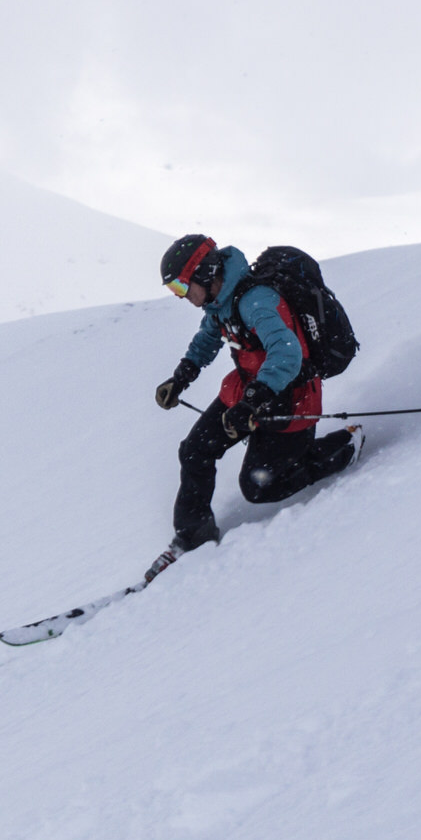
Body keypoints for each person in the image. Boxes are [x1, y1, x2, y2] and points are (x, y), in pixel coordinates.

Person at [144, 234, 361, 580]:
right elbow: (206, 340)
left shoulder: (256, 300)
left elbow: (287, 354)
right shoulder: (218, 303)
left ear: (203, 274)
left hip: (289, 399)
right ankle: (193, 536)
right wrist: (180, 378)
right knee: (196, 450)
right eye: (175, 292)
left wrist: (252, 403)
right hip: (248, 393)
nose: (183, 298)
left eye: (182, 288)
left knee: (260, 486)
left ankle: (344, 445)